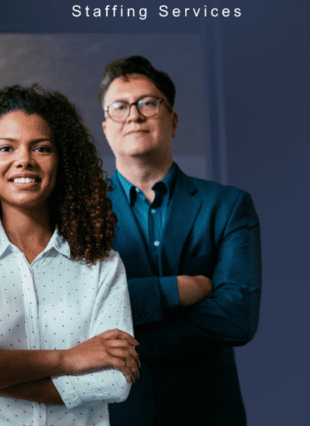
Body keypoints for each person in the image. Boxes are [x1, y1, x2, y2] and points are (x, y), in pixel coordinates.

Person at [0, 85, 137, 426]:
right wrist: (68, 360)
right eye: (6, 147)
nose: (24, 159)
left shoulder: (102, 264)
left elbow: (114, 380)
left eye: (41, 147)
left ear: (63, 160)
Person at [99, 56, 261, 426]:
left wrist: (125, 344)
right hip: (114, 415)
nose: (134, 116)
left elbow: (237, 317)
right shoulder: (76, 212)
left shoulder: (228, 205)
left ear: (172, 120)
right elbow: (74, 307)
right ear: (107, 126)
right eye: (120, 107)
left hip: (208, 411)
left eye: (148, 103)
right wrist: (173, 290)